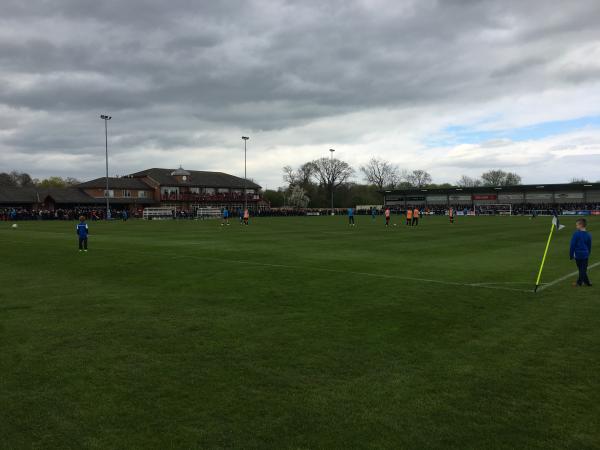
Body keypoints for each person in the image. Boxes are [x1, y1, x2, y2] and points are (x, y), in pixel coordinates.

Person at [570, 218, 592, 287]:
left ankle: (579, 282)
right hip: (585, 254)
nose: (576, 226)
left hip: (578, 255)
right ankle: (586, 282)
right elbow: (589, 246)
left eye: (577, 225)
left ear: (581, 225)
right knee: (582, 270)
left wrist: (571, 254)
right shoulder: (588, 235)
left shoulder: (576, 234)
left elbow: (572, 245)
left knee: (581, 270)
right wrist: (588, 253)